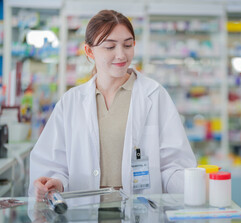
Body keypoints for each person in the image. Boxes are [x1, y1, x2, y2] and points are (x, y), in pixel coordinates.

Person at [28, 10, 197, 201]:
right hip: (85, 216)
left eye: (127, 45)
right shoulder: (71, 102)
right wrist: (56, 183)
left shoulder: (155, 96)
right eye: (110, 47)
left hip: (139, 216)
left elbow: (172, 165)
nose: (121, 55)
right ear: (89, 51)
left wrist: (194, 185)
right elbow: (54, 165)